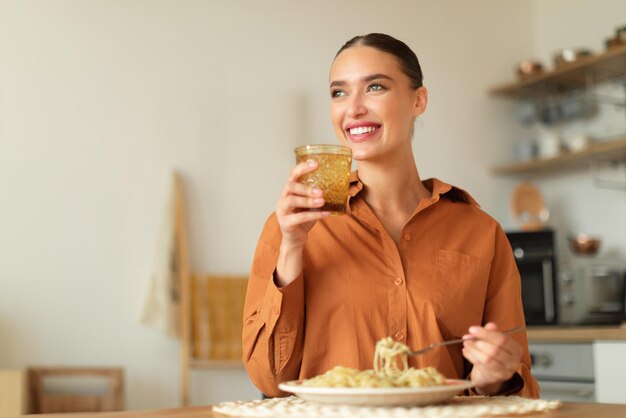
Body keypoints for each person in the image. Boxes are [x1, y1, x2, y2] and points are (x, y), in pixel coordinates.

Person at [242, 33, 539, 398]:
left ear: (419, 100)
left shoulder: (480, 232)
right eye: (339, 92)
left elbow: (519, 381)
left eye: (375, 87)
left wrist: (495, 377)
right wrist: (291, 247)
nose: (353, 108)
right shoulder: (291, 226)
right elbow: (269, 379)